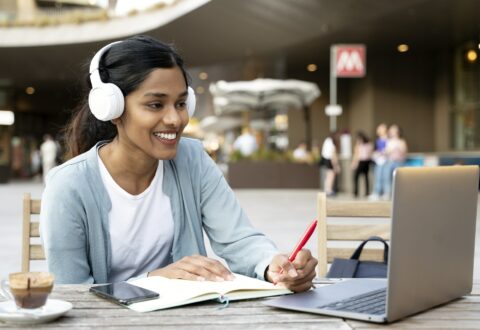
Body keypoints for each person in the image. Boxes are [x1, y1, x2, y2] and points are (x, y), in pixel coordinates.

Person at [40, 35, 317, 292]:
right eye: (156, 105)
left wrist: (274, 265)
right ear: (111, 109)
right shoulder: (68, 186)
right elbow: (71, 292)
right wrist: (153, 281)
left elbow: (238, 239)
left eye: (181, 103)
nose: (175, 119)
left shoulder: (193, 159)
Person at [382, 124, 408, 199]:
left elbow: (404, 151)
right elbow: (386, 152)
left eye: (393, 130)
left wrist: (398, 148)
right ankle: (388, 193)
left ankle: (399, 193)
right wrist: (388, 151)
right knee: (387, 177)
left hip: (399, 162)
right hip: (390, 161)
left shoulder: (401, 141)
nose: (391, 131)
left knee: (400, 179)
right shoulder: (389, 141)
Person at [351, 131, 373, 198]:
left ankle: (356, 192)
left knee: (357, 177)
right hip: (366, 162)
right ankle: (366, 192)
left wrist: (354, 163)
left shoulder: (359, 145)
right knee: (366, 178)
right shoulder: (369, 145)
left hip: (361, 162)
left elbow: (356, 155)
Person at [369, 123, 388, 200]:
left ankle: (383, 192)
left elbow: (387, 149)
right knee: (377, 176)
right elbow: (377, 149)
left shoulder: (387, 139)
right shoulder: (378, 139)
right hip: (378, 160)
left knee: (384, 177)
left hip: (385, 160)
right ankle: (377, 192)